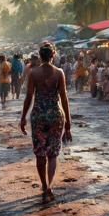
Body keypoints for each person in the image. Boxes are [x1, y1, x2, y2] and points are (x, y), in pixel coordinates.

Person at [19, 45, 71, 203]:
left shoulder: (34, 73)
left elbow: (29, 97)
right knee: (53, 153)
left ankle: (43, 185)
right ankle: (50, 185)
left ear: (40, 56)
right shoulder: (59, 72)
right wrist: (68, 121)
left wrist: (23, 118)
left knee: (40, 153)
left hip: (39, 116)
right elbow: (63, 98)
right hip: (56, 115)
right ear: (53, 55)